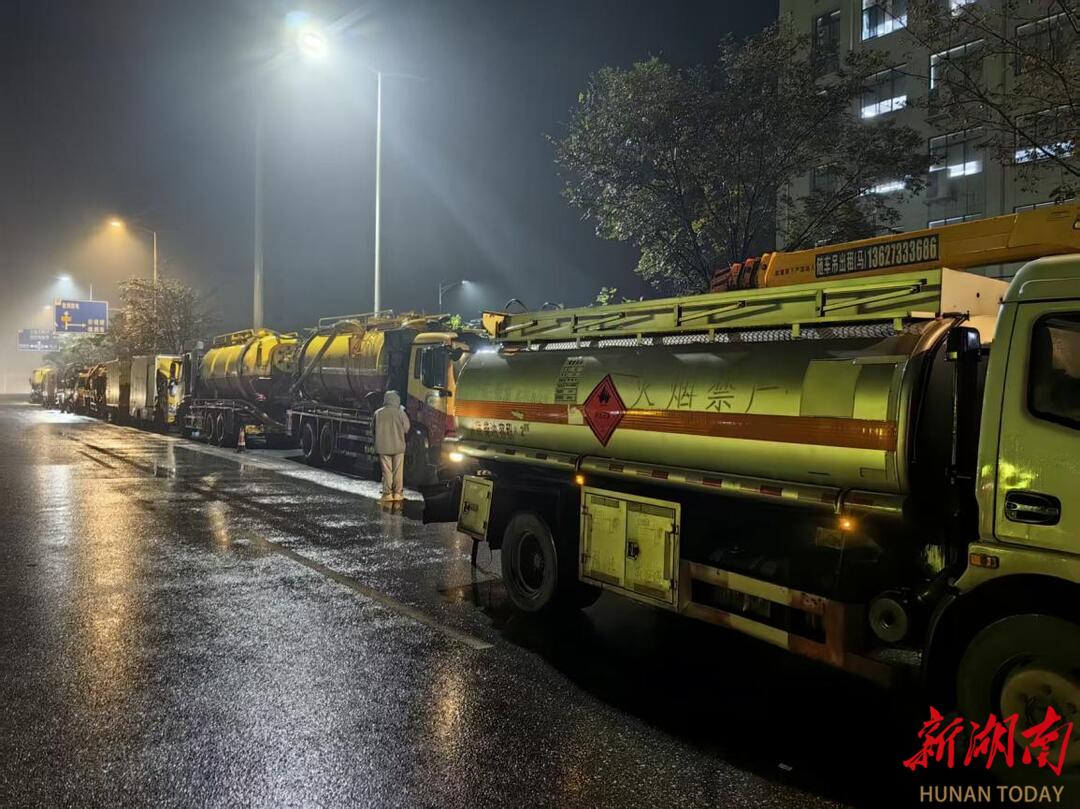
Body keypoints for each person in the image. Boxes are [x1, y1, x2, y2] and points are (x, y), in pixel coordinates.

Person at [374, 389, 410, 502]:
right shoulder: (401, 412)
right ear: (397, 400)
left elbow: (373, 429)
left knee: (387, 471)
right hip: (398, 446)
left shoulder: (378, 413)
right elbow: (407, 428)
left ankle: (387, 494)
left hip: (383, 446)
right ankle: (398, 494)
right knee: (398, 471)